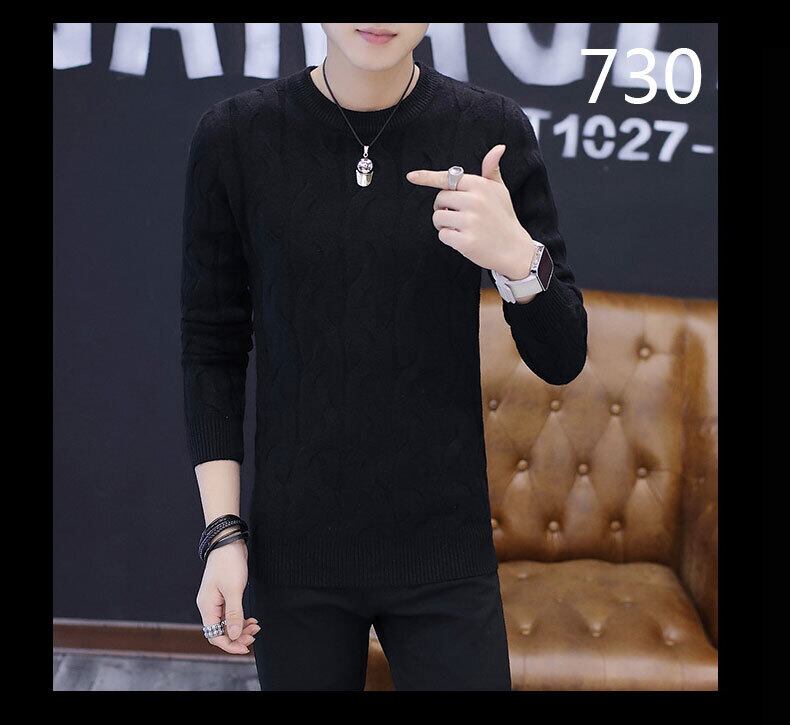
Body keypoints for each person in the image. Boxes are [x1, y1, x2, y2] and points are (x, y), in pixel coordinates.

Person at [181, 22, 588, 691]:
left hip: (444, 548)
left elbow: (563, 357)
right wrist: (222, 533)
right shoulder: (235, 137)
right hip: (299, 550)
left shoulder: (488, 130)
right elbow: (212, 345)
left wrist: (518, 259)